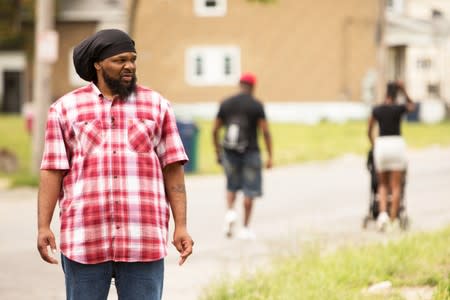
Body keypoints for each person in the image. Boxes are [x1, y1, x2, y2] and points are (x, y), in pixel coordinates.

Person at [36, 29, 194, 300]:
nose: (129, 66)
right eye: (120, 60)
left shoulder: (157, 106)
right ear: (97, 64)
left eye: (132, 59)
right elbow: (53, 169)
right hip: (84, 238)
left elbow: (173, 169)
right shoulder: (64, 109)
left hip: (142, 239)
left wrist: (181, 225)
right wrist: (43, 226)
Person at [212, 72, 273, 240]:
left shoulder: (226, 103)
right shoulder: (256, 105)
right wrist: (270, 156)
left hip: (229, 152)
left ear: (240, 84)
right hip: (251, 152)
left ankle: (230, 211)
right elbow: (265, 131)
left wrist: (218, 152)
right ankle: (245, 228)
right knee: (250, 190)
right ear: (253, 86)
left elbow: (215, 129)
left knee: (231, 186)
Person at [368, 80, 416, 232]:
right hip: (396, 144)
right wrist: (405, 91)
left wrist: (373, 143)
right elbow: (412, 106)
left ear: (385, 93)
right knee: (396, 186)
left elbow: (369, 129)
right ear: (397, 94)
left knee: (382, 184)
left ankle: (383, 216)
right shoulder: (399, 108)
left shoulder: (377, 109)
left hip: (382, 145)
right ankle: (394, 219)